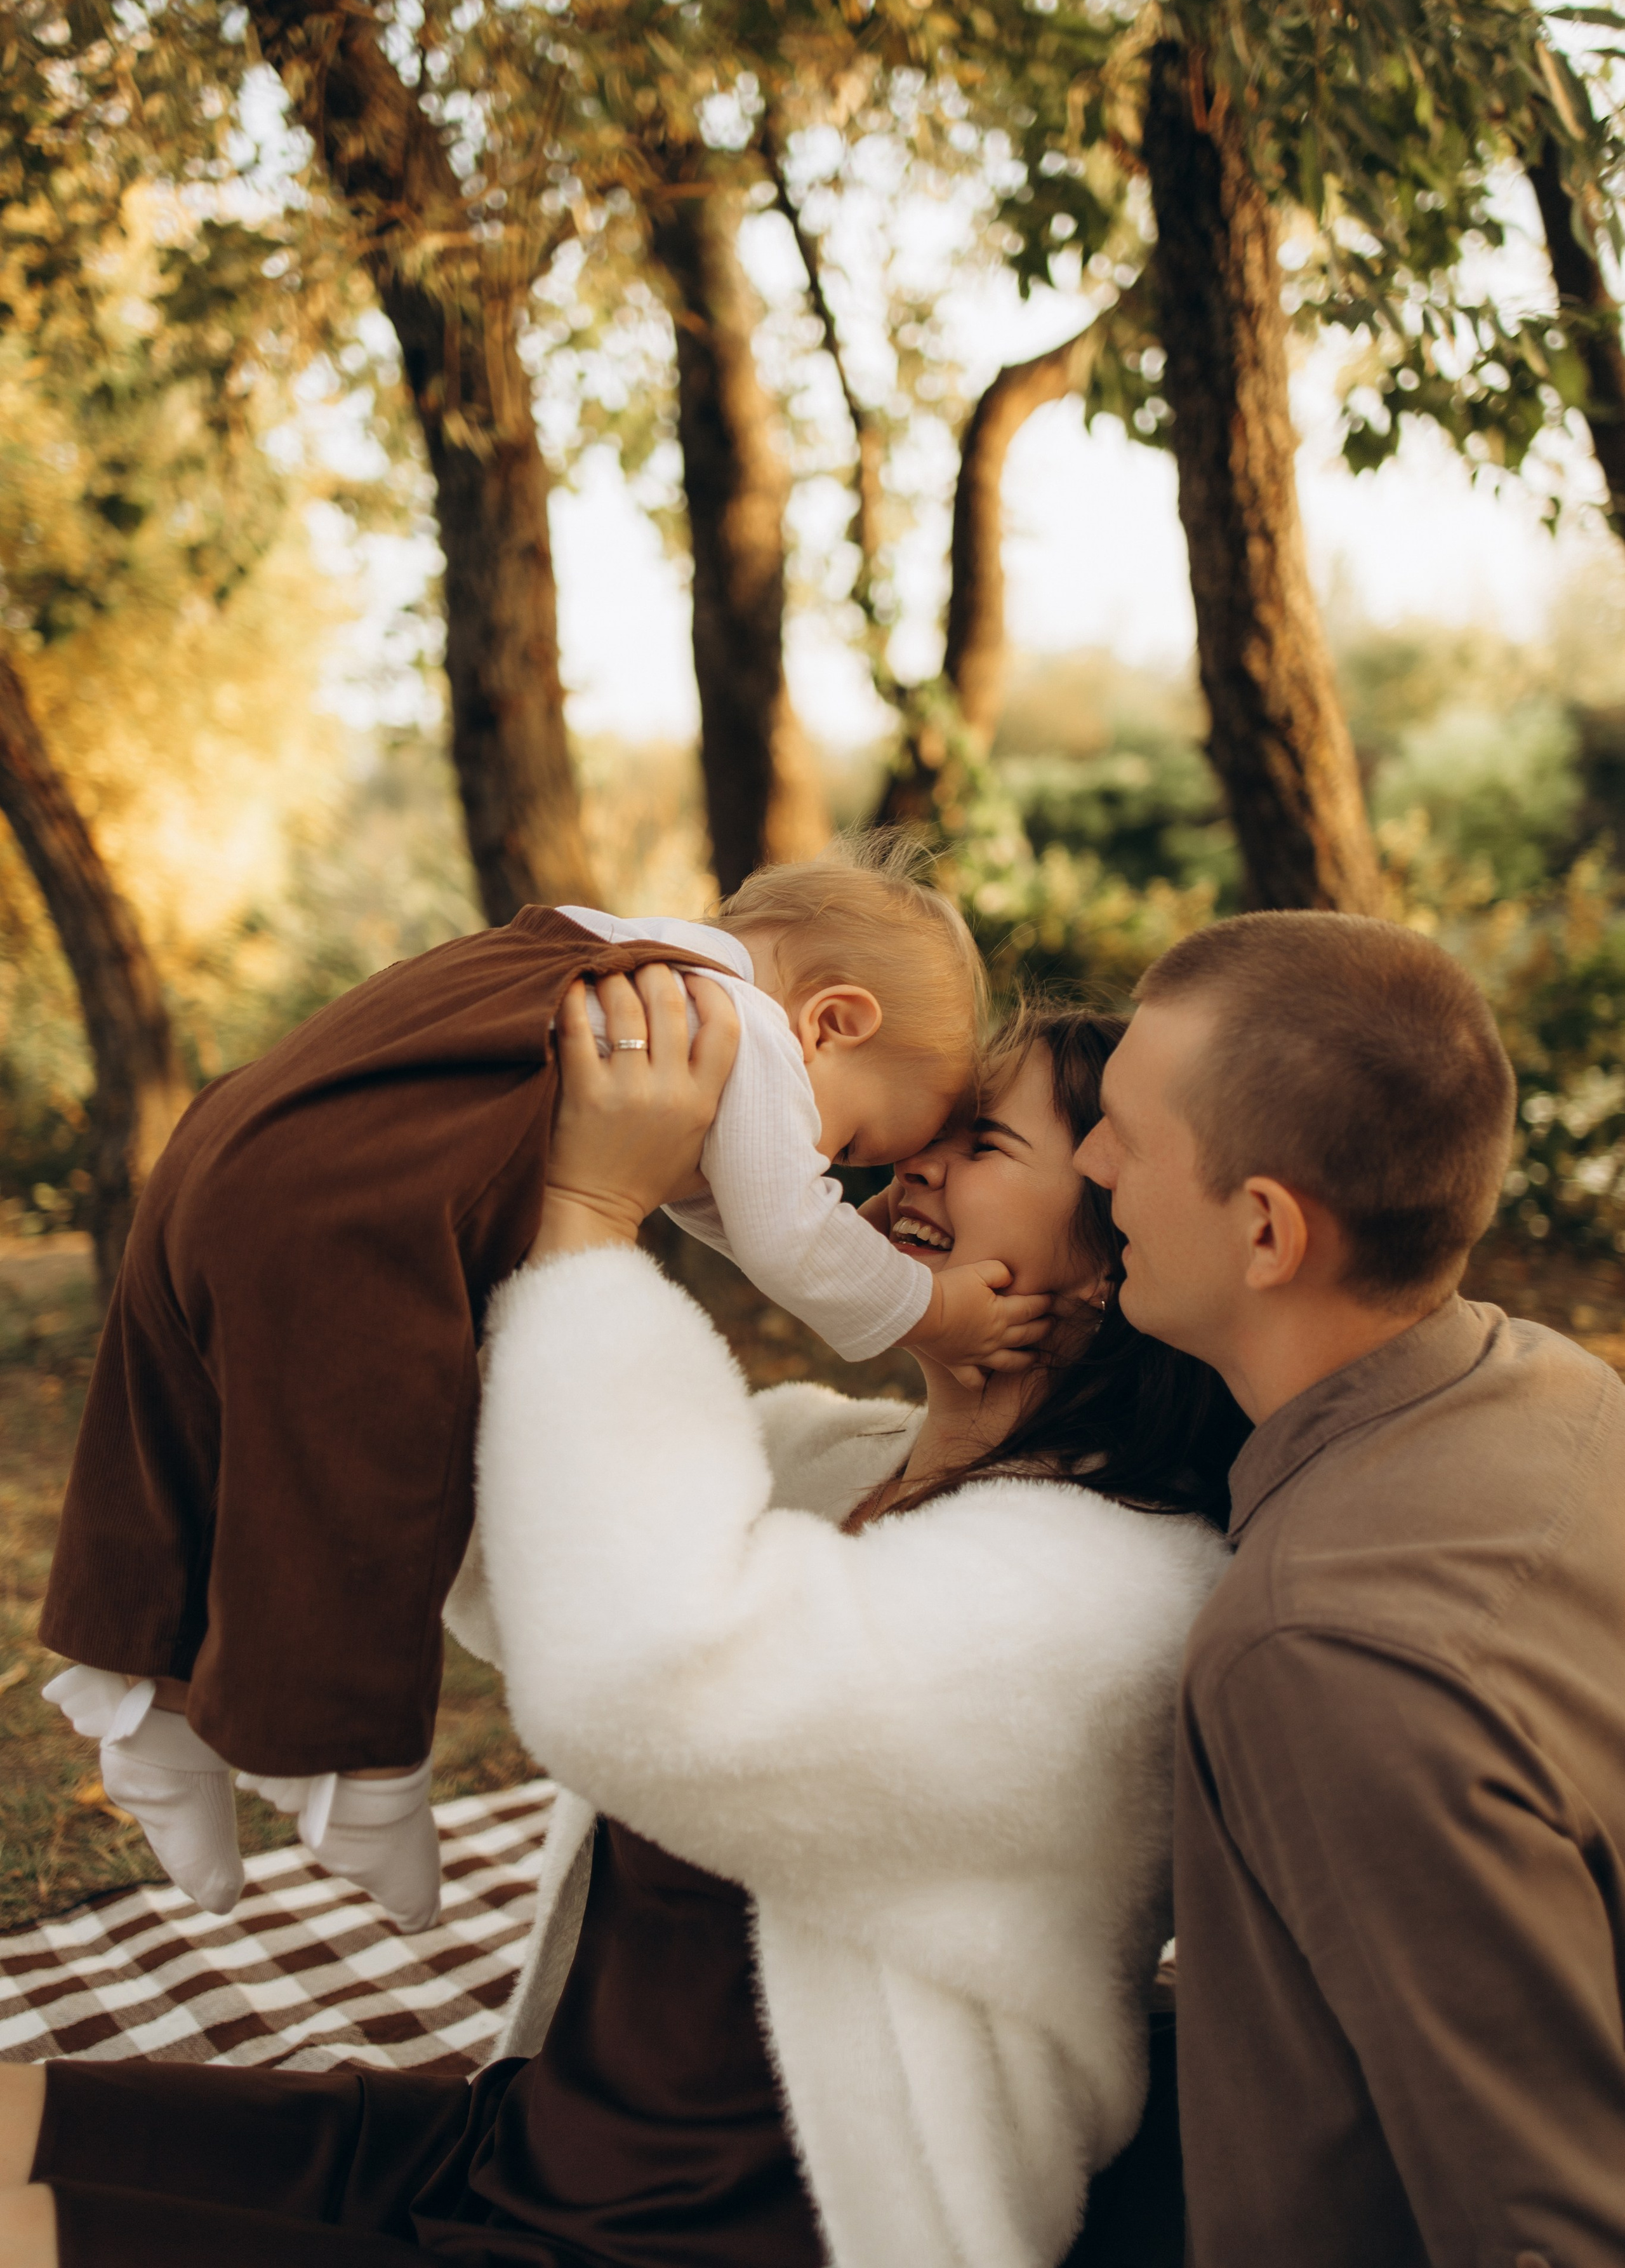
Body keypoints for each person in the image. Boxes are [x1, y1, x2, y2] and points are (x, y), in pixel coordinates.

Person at [0, 978, 1244, 2268]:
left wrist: (594, 1221)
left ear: (1115, 1265)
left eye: (980, 1144)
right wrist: (390, 1161)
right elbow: (476, 1517)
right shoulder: (833, 1461)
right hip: (529, 2149)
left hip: (740, 2238)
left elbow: (646, 1674)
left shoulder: (1108, 1586)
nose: (909, 1159)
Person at [38, 839, 1047, 1935]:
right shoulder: (744, 1028)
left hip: (223, 1151)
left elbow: (718, 1206)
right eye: (848, 1140)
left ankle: (152, 1715)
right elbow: (791, 1239)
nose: (834, 1167)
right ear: (834, 1022)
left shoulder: (600, 959)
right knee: (372, 1469)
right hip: (345, 1222)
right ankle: (356, 1771)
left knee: (188, 1440)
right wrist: (936, 1307)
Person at [1076, 909, 1625, 2268]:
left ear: (1264, 1233)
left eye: (1125, 1139)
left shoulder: (1313, 1651)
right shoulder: (1546, 1376)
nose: (1090, 1166)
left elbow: (1540, 2224)